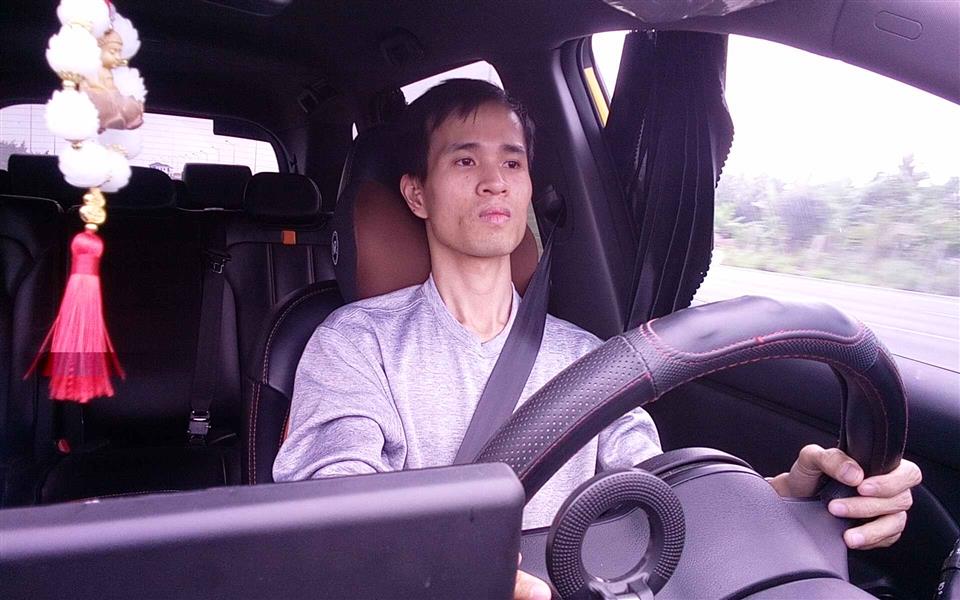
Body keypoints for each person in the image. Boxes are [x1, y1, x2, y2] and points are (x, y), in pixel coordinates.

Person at [273, 79, 921, 600]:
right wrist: (451, 574)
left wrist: (789, 498)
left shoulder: (590, 359)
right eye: (465, 159)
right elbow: (334, 515)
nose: (495, 180)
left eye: (512, 161)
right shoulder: (355, 343)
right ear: (416, 194)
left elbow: (654, 499)